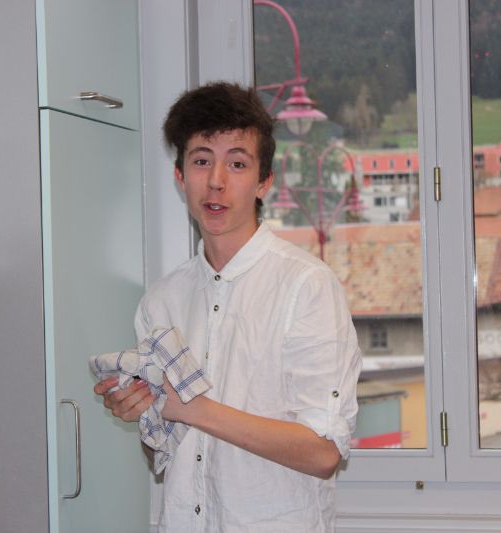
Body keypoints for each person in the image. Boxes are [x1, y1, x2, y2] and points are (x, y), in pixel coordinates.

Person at [94, 81, 362, 532]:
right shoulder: (161, 301)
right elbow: (164, 450)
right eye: (201, 161)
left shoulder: (307, 286)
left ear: (264, 182)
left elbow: (323, 452)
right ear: (180, 177)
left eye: (237, 163)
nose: (216, 181)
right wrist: (142, 409)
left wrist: (192, 408)